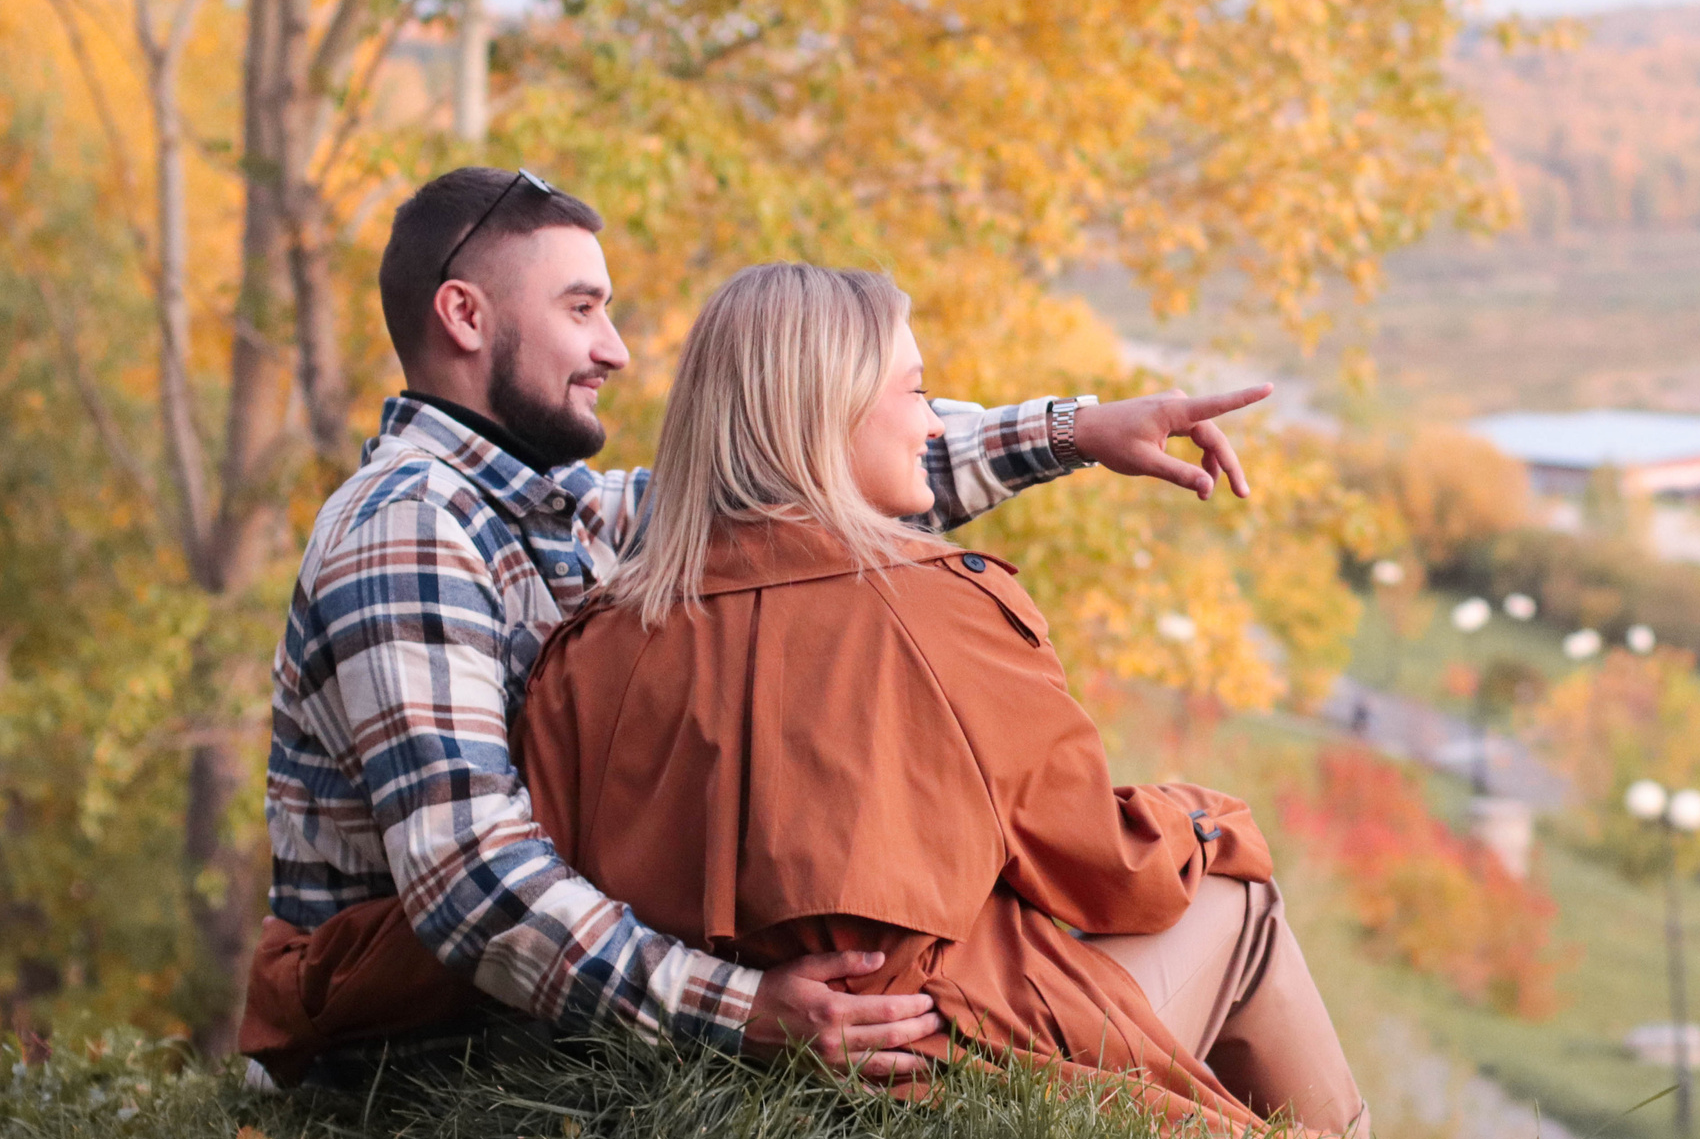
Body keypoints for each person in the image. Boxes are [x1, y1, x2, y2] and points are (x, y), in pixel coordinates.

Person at [244, 167, 1273, 1087]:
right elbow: (472, 883)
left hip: (516, 1019)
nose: (615, 348)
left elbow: (795, 467)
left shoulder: (544, 511)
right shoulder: (409, 531)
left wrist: (1077, 431)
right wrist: (744, 1011)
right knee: (1209, 927)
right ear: (465, 316)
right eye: (581, 308)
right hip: (402, 1058)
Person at [514, 263, 1367, 1139]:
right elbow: (1106, 871)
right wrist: (1207, 818)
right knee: (1242, 906)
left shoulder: (588, 649)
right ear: (829, 411)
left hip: (708, 1071)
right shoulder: (940, 609)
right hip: (928, 1074)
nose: (932, 422)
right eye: (918, 392)